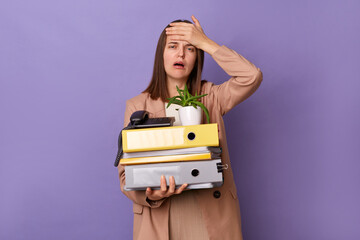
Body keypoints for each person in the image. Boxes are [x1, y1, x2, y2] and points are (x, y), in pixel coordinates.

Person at [117, 15, 263, 240]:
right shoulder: (137, 106)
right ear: (161, 55)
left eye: (190, 48)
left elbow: (251, 77)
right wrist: (153, 194)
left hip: (210, 214)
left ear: (197, 57)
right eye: (173, 46)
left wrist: (205, 42)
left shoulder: (211, 97)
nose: (181, 54)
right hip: (161, 218)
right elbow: (126, 178)